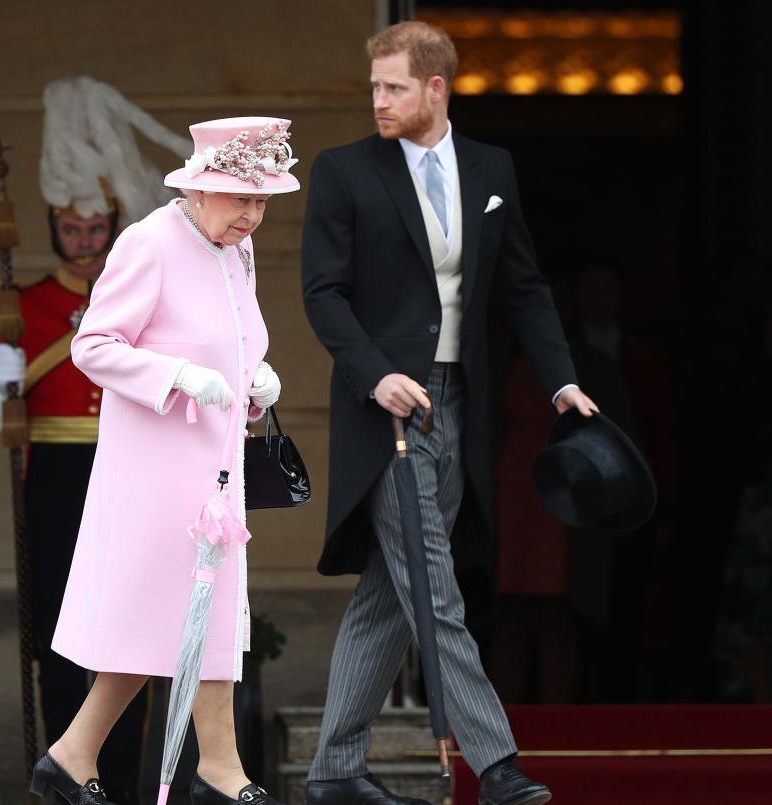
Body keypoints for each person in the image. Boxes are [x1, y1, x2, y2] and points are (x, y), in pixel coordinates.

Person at [300, 22, 597, 805]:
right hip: (385, 410)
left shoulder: (492, 169)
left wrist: (561, 380)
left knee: (387, 597)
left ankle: (332, 772)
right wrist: (375, 377)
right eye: (374, 87)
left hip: (462, 401)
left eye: (394, 87)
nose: (379, 101)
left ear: (437, 88)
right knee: (433, 586)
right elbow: (322, 295)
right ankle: (496, 763)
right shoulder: (343, 172)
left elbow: (526, 288)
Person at [29, 116, 298, 805]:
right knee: (171, 614)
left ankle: (79, 754)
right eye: (240, 197)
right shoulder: (148, 241)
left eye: (262, 200)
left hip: (213, 465)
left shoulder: (237, 249)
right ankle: (213, 765)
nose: (252, 214)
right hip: (153, 465)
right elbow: (95, 346)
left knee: (194, 613)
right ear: (201, 188)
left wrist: (256, 378)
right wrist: (175, 373)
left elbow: (234, 341)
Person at [0, 76, 193, 804]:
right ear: (52, 228)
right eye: (73, 231)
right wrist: (9, 374)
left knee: (129, 620)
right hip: (59, 474)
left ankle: (122, 776)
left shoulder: (134, 288)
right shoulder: (25, 303)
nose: (87, 244)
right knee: (60, 628)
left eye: (98, 231)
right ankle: (68, 770)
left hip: (126, 465)